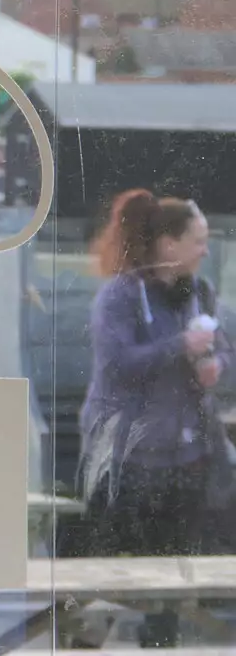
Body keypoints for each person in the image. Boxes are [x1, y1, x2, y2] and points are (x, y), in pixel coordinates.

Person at [78, 191, 231, 559]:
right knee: (121, 567)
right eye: (198, 242)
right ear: (168, 245)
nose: (205, 252)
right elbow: (117, 365)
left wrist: (218, 366)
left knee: (183, 565)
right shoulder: (119, 297)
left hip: (186, 459)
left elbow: (229, 349)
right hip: (126, 461)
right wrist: (181, 345)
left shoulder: (202, 293)